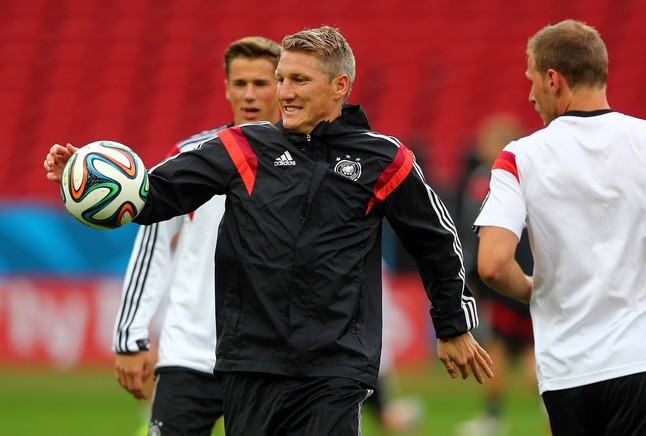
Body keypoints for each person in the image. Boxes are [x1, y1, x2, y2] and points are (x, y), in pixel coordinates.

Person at [44, 26, 492, 435]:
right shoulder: (242, 147)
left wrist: (452, 325)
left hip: (336, 366)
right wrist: (88, 181)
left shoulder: (383, 159)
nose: (284, 93)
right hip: (250, 363)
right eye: (281, 79)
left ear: (340, 86)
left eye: (299, 80)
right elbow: (155, 195)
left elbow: (436, 240)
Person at [473, 19, 646, 435]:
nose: (530, 94)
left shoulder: (519, 158)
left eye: (532, 80)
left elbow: (493, 265)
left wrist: (533, 290)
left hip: (567, 372)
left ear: (553, 79)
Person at [112, 36, 281, 435]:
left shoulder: (303, 163)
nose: (250, 94)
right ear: (226, 87)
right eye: (240, 83)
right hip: (188, 353)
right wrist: (130, 334)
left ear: (281, 85)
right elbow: (151, 246)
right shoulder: (192, 156)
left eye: (261, 83)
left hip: (267, 360)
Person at [456, 113, 537, 436]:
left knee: (501, 346)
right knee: (528, 346)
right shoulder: (533, 175)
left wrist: (471, 274)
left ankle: (493, 416)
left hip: (504, 274)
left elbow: (474, 230)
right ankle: (549, 404)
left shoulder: (486, 178)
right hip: (532, 272)